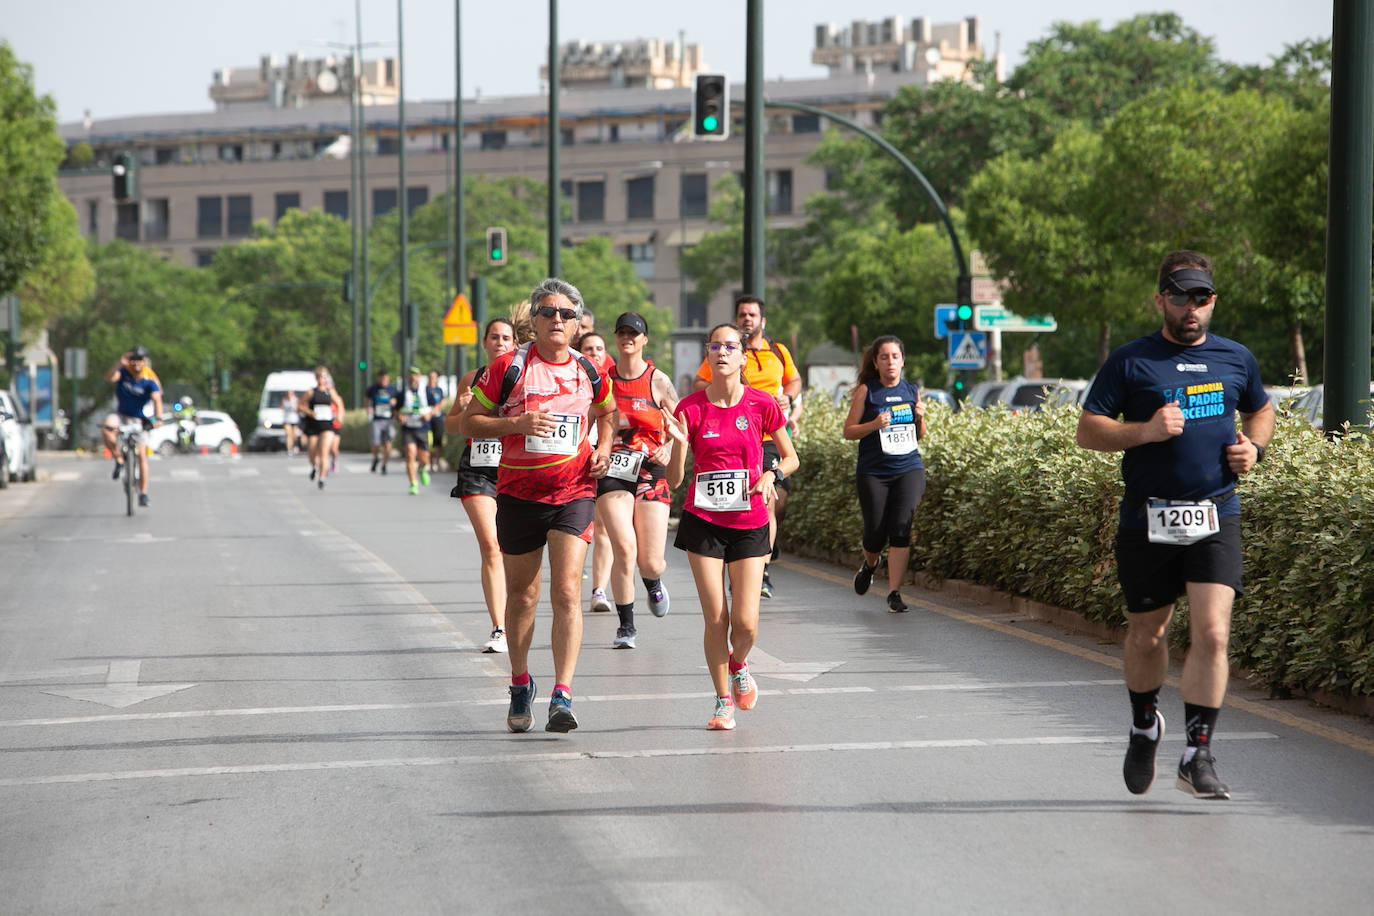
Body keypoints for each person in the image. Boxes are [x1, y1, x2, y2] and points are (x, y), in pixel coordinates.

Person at [1076, 250, 1274, 801]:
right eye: (1182, 296)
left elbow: (1261, 408)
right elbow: (1088, 430)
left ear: (1213, 301)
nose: (1192, 308)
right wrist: (1144, 432)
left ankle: (1198, 753)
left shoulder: (1236, 359)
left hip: (1216, 512)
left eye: (1202, 298)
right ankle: (1145, 726)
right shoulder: (1131, 361)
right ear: (1161, 298)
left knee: (1212, 633)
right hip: (1148, 515)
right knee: (1148, 633)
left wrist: (1253, 448)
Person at [461, 278, 616, 734]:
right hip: (518, 494)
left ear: (578, 323)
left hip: (574, 492)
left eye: (566, 314)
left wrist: (604, 446)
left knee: (567, 591)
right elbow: (470, 422)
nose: (556, 320)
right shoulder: (509, 367)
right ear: (534, 318)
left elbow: (608, 413)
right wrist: (518, 422)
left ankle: (562, 695)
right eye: (548, 312)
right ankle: (520, 681)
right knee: (523, 595)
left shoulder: (590, 370)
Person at [665, 322, 798, 731]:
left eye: (729, 347)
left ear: (743, 358)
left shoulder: (762, 404)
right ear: (708, 356)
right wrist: (680, 445)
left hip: (750, 520)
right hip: (703, 520)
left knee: (746, 623)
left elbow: (791, 457)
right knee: (716, 618)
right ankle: (722, 699)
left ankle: (739, 664)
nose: (721, 352)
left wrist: (771, 475)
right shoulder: (688, 408)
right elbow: (673, 480)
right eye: (714, 346)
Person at [694, 295, 802, 598]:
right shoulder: (723, 351)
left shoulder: (778, 352)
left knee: (773, 501)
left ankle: (761, 559)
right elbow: (701, 384)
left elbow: (794, 381)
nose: (747, 319)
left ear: (762, 320)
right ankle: (749, 561)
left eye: (752, 314)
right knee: (751, 499)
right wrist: (733, 391)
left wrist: (787, 399)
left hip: (768, 436)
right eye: (741, 314)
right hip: (734, 434)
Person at [597, 311, 679, 649]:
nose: (628, 338)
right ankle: (626, 627)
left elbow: (682, 427)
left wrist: (669, 448)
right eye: (622, 333)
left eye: (635, 333)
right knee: (624, 548)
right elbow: (588, 419)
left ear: (645, 340)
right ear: (616, 338)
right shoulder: (604, 379)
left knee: (650, 560)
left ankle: (653, 582)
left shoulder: (658, 380)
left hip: (650, 469)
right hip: (613, 468)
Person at [446, 312, 526, 654]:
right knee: (491, 546)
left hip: (513, 468)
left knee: (512, 549)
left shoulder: (523, 378)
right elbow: (451, 427)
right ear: (485, 343)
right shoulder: (472, 378)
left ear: (515, 344)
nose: (499, 343)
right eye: (494, 337)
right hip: (477, 470)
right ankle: (499, 628)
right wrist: (462, 411)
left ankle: (517, 616)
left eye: (506, 338)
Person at [842, 335, 928, 613]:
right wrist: (875, 423)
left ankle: (894, 593)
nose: (890, 362)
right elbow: (848, 432)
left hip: (908, 468)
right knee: (875, 534)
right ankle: (870, 564)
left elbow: (920, 436)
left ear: (903, 361)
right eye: (884, 357)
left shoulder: (911, 390)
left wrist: (921, 417)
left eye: (895, 356)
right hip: (874, 471)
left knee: (901, 528)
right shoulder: (867, 391)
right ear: (876, 363)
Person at [576, 330, 616, 615]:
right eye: (588, 349)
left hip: (603, 460)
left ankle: (598, 590)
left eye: (599, 348)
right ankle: (572, 577)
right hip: (573, 463)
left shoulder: (612, 383)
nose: (594, 353)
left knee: (602, 527)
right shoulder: (571, 381)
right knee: (577, 530)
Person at [100, 346, 163, 507]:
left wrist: (158, 418)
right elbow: (108, 377)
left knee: (142, 455)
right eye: (133, 360)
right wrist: (119, 364)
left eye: (140, 360)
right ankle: (119, 460)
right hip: (121, 415)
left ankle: (143, 493)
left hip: (139, 419)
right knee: (107, 428)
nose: (136, 364)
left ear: (145, 362)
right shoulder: (124, 371)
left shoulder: (149, 377)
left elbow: (157, 399)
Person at [299, 366, 344, 489]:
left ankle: (322, 478)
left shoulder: (330, 392)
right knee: (312, 452)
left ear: (326, 378)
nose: (321, 379)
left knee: (324, 453)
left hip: (327, 425)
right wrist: (309, 412)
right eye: (319, 377)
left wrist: (339, 416)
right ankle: (314, 466)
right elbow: (300, 406)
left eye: (323, 377)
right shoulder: (311, 392)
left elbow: (339, 404)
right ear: (316, 378)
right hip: (313, 425)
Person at [398, 367, 436, 495]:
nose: (413, 378)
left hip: (423, 428)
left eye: (415, 375)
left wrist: (430, 414)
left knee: (424, 458)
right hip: (408, 428)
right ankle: (413, 483)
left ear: (419, 377)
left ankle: (422, 469)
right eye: (411, 376)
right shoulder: (403, 393)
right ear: (408, 378)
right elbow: (396, 409)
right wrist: (399, 416)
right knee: (410, 454)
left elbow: (437, 404)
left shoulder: (426, 391)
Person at [365, 369, 399, 474]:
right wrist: (368, 408)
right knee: (376, 443)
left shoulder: (393, 389)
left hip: (388, 419)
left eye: (385, 378)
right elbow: (366, 398)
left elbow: (399, 400)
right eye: (381, 378)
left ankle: (384, 465)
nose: (383, 380)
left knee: (387, 443)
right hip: (377, 419)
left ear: (388, 378)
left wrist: (395, 402)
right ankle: (375, 458)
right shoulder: (373, 389)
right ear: (378, 378)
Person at [426, 369, 447, 473]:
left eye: (434, 377)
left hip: (438, 419)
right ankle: (430, 464)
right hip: (427, 421)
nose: (432, 379)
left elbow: (442, 402)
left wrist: (436, 409)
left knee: (438, 441)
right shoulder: (424, 390)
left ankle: (437, 462)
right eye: (430, 377)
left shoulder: (439, 390)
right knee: (429, 443)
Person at [281, 389, 302, 455]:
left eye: (290, 393)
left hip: (294, 419)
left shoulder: (295, 399)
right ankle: (289, 449)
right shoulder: (284, 400)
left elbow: (299, 408)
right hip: (286, 419)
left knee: (294, 435)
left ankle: (295, 446)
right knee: (288, 434)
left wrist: (295, 408)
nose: (289, 394)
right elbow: (281, 407)